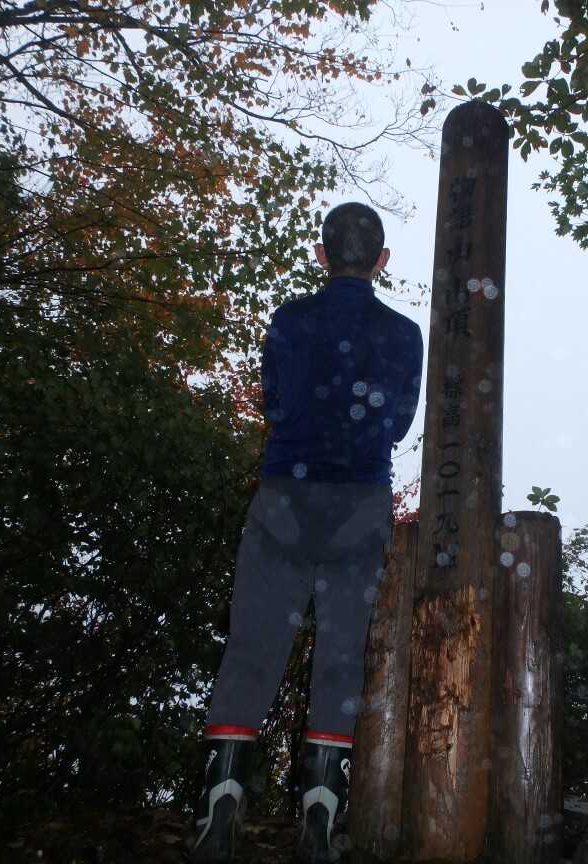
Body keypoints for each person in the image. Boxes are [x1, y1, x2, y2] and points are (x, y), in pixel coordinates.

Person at [190, 202, 425, 863]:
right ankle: (319, 819)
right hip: (360, 503)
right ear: (382, 261)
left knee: (251, 650)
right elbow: (399, 424)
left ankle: (219, 812)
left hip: (284, 499)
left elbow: (275, 403)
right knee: (342, 658)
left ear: (322, 256)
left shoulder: (290, 320)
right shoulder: (404, 334)